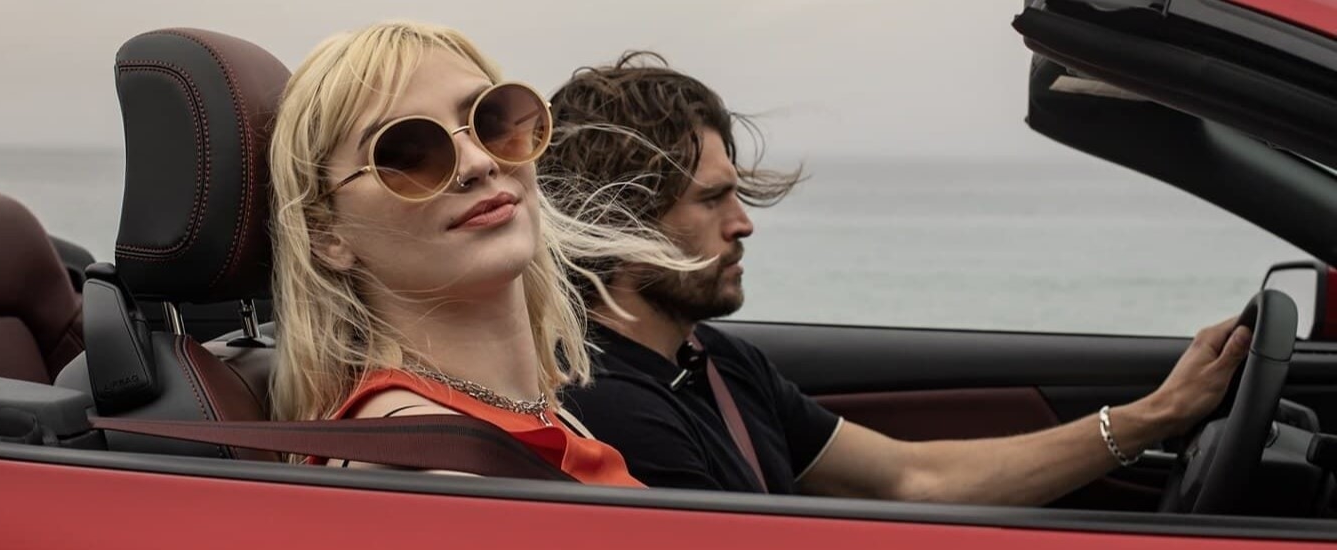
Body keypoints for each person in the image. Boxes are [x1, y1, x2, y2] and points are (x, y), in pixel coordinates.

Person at [539, 51, 1253, 503]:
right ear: (623, 221)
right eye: (712, 199)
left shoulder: (716, 365)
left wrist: (1152, 416)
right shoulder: (611, 408)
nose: (744, 223)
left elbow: (914, 478)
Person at [265, 23, 700, 486]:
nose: (478, 163)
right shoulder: (430, 461)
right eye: (409, 154)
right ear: (327, 233)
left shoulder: (521, 416)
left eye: (490, 121)